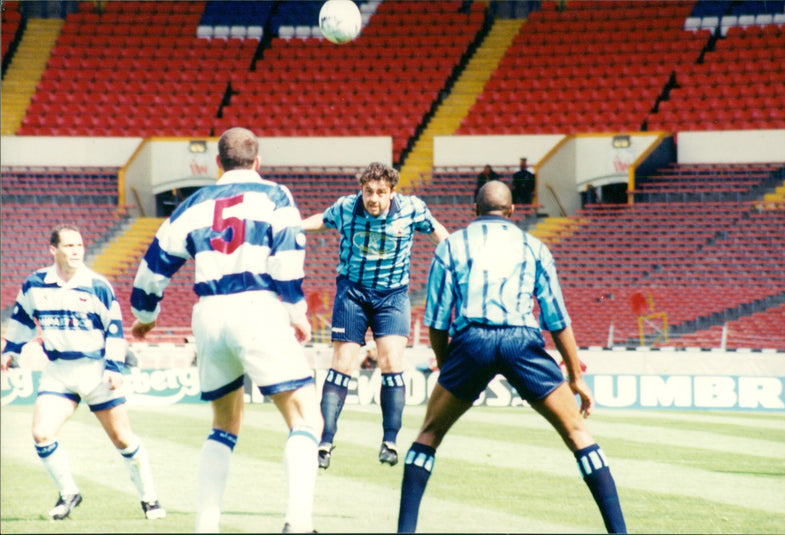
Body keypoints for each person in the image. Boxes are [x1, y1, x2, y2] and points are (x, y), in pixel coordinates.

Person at [397, 181, 626, 534]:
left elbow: (437, 322)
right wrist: (577, 378)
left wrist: (447, 368)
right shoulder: (534, 247)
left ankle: (405, 530)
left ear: (474, 210)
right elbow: (557, 320)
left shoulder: (451, 246)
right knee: (578, 433)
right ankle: (619, 531)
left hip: (472, 340)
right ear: (512, 212)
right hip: (522, 341)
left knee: (428, 434)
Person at [130, 127, 322, 533]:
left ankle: (207, 525)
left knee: (223, 423)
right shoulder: (275, 195)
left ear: (218, 163)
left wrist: (145, 313)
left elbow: (154, 262)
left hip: (210, 314)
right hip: (257, 304)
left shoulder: (194, 203)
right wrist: (296, 309)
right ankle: (298, 524)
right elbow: (289, 249)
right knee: (306, 417)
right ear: (259, 161)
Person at [0, 224, 166, 521]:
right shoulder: (35, 283)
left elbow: (114, 331)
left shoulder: (98, 285)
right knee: (41, 433)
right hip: (59, 370)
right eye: (69, 246)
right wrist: (10, 352)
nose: (76, 251)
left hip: (97, 369)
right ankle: (69, 493)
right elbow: (22, 320)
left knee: (123, 439)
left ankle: (149, 499)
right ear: (54, 250)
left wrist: (115, 368)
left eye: (79, 245)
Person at [302, 162, 449, 469]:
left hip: (392, 297)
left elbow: (437, 230)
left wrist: (458, 251)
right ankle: (325, 441)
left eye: (381, 192)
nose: (374, 199)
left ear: (392, 192)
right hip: (352, 293)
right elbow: (322, 220)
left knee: (392, 363)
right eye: (369, 191)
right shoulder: (346, 208)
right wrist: (295, 226)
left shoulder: (411, 209)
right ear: (362, 189)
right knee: (342, 364)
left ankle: (390, 441)